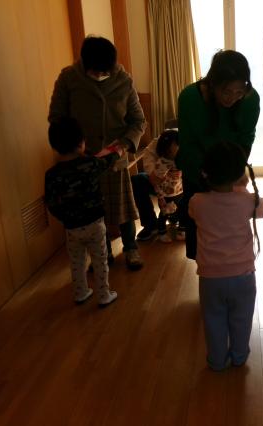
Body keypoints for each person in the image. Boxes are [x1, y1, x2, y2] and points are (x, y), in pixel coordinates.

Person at [49, 36, 146, 270]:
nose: (101, 75)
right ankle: (102, 254)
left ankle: (131, 248)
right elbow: (56, 118)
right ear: (85, 63)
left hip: (115, 156)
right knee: (92, 212)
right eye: (96, 71)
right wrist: (73, 147)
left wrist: (123, 145)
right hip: (82, 159)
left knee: (123, 208)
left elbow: (138, 121)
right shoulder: (69, 78)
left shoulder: (124, 80)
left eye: (105, 71)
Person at [188, 142, 263, 371]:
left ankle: (216, 360)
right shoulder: (247, 201)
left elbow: (193, 213)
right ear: (239, 174)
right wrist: (242, 189)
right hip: (243, 276)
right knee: (242, 318)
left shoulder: (197, 202)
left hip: (210, 278)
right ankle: (239, 356)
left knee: (213, 319)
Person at [176, 50, 260, 260]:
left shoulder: (250, 99)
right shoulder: (189, 98)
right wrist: (209, 179)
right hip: (198, 172)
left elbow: (246, 139)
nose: (233, 98)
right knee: (200, 236)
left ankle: (231, 267)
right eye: (226, 91)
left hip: (231, 173)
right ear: (212, 83)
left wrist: (234, 174)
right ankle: (206, 273)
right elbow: (188, 146)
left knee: (230, 231)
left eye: (239, 91)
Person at [44, 118, 120, 307]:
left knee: (76, 262)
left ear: (55, 146)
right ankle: (104, 295)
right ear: (80, 143)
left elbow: (51, 203)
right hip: (95, 223)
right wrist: (117, 151)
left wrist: (65, 218)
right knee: (100, 260)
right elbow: (107, 161)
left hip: (71, 228)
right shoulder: (90, 164)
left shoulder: (51, 174)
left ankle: (80, 293)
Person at [132, 129, 184, 243]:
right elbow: (154, 178)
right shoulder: (158, 148)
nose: (173, 154)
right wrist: (161, 195)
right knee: (138, 180)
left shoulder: (186, 143)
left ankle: (182, 222)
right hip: (164, 187)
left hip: (181, 189)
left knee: (182, 206)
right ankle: (151, 225)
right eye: (170, 151)